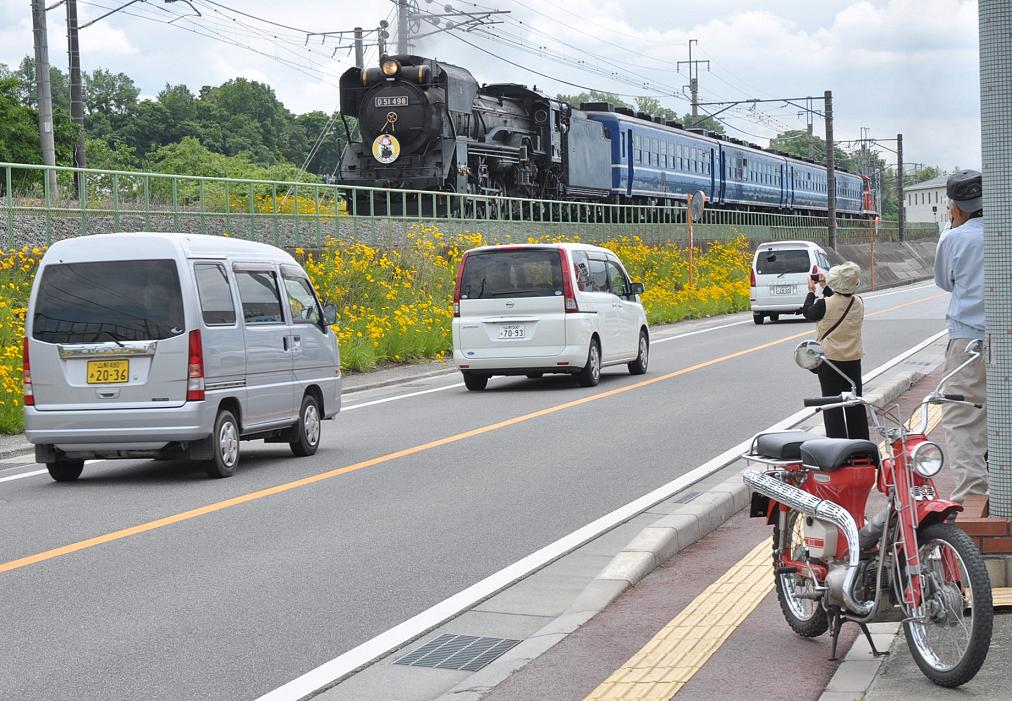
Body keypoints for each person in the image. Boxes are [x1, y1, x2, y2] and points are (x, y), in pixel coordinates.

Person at [934, 169, 986, 504]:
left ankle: (973, 500)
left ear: (955, 205)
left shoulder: (954, 238)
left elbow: (944, 281)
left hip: (968, 342)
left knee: (962, 420)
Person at [802, 261, 869, 440]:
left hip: (830, 362)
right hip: (853, 360)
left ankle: (838, 445)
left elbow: (808, 312)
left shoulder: (824, 304)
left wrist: (811, 292)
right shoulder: (859, 302)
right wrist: (825, 287)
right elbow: (841, 302)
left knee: (833, 405)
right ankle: (861, 446)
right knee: (855, 402)